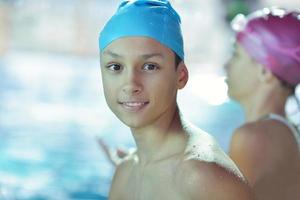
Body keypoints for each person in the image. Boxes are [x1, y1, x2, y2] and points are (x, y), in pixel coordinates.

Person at [99, 0, 254, 199]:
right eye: (115, 67)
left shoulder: (203, 175)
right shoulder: (125, 172)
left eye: (149, 66)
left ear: (181, 76)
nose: (130, 84)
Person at [226, 7, 300, 200]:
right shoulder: (285, 131)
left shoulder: (253, 138)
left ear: (265, 72)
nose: (226, 65)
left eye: (236, 55)